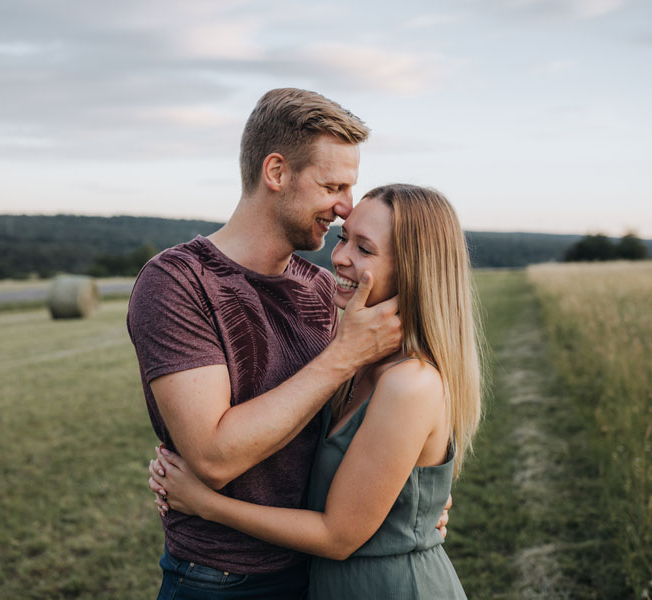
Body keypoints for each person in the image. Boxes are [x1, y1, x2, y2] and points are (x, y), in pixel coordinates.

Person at [128, 88, 420, 599]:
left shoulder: (321, 286)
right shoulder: (178, 282)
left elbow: (359, 422)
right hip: (223, 579)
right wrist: (342, 357)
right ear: (277, 173)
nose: (346, 208)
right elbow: (214, 457)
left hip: (320, 569)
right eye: (333, 185)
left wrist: (411, 504)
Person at [150, 184, 483, 599]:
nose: (338, 256)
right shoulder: (354, 358)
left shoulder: (408, 381)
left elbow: (338, 535)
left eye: (364, 248)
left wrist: (205, 504)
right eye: (344, 238)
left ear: (413, 270)